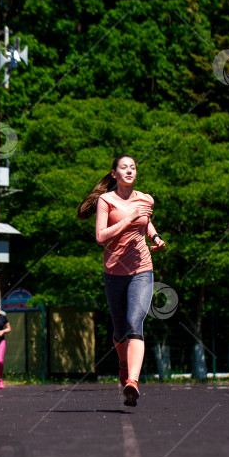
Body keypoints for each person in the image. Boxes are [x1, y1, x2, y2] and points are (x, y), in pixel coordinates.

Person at [78, 155, 166, 407]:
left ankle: (132, 382)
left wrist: (156, 237)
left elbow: (146, 223)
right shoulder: (106, 200)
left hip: (142, 269)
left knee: (134, 322)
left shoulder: (146, 199)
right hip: (114, 272)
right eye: (124, 168)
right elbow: (100, 237)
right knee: (119, 332)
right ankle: (124, 364)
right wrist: (128, 219)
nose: (129, 171)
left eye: (133, 167)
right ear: (114, 174)